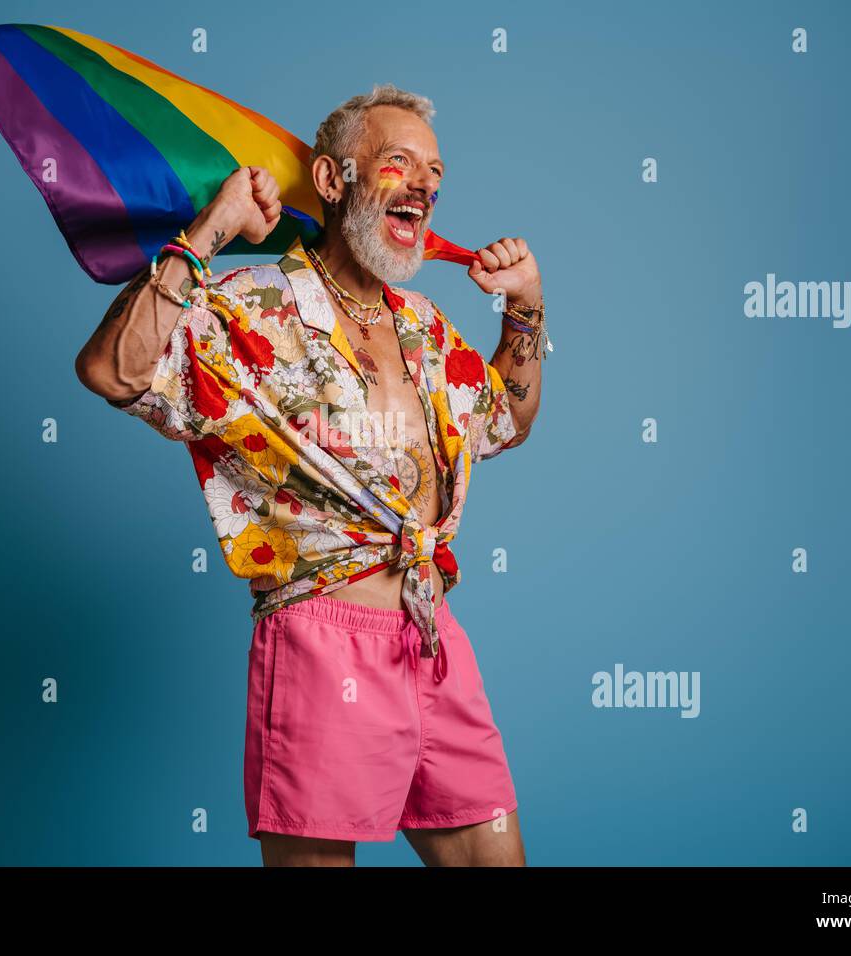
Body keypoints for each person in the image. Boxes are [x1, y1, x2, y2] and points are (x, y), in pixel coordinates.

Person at [75, 85, 546, 866]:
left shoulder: (425, 326)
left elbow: (504, 422)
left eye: (435, 172)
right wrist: (215, 229)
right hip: (322, 640)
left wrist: (525, 307)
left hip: (431, 640)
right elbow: (110, 370)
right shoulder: (250, 311)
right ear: (333, 181)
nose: (425, 184)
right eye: (398, 163)